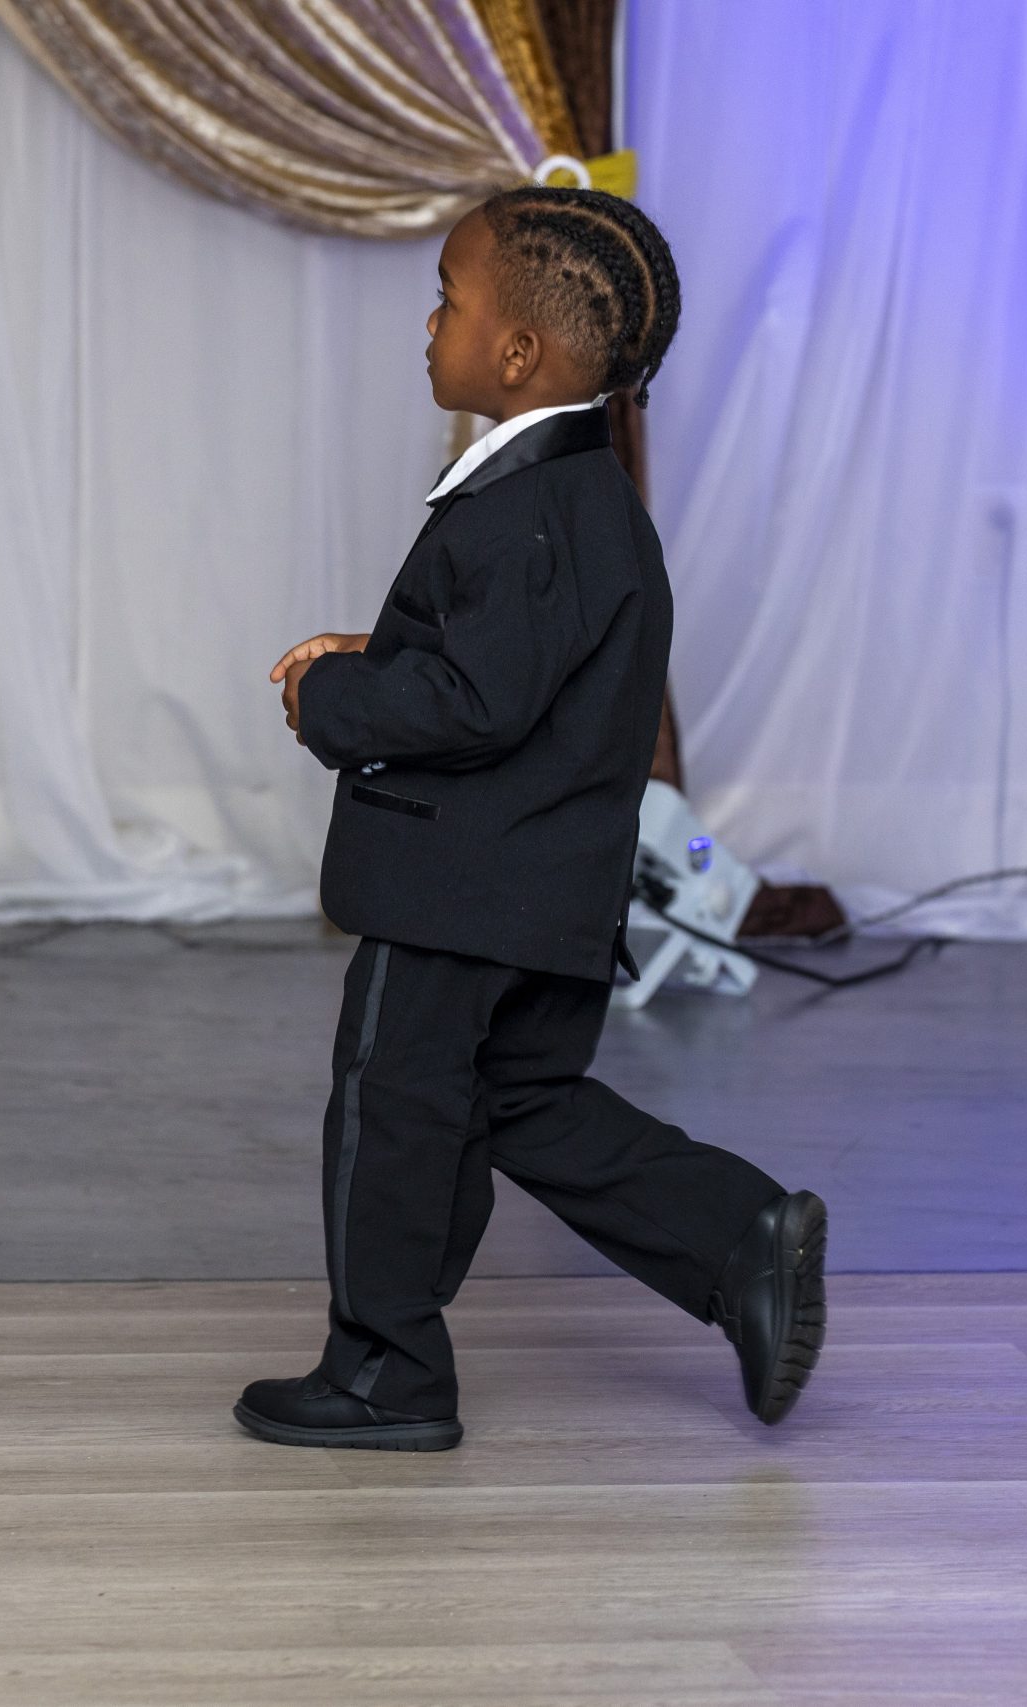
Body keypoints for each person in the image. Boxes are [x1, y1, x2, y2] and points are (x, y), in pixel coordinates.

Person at [238, 187, 826, 1452]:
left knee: (395, 1111)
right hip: (540, 891)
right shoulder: (576, 499)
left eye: (446, 300)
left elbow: (475, 703)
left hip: (457, 893)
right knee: (520, 1099)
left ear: (517, 354)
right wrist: (377, 654)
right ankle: (735, 1236)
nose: (430, 323)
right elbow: (509, 671)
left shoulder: (528, 516)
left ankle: (385, 1371)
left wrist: (335, 699)